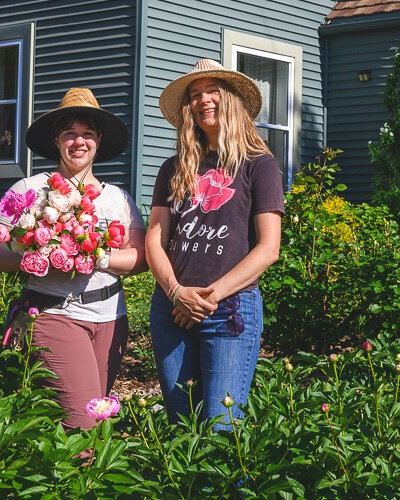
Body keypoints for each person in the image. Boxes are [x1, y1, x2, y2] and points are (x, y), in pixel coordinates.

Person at [0, 87, 145, 430]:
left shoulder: (117, 198)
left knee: (98, 417)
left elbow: (138, 258)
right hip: (53, 314)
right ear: (57, 140)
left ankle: (82, 482)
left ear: (98, 140)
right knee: (83, 421)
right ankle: (80, 482)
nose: (79, 141)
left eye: (87, 134)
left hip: (111, 318)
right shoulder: (29, 189)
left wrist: (95, 257)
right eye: (69, 133)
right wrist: (36, 256)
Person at [146, 59, 284, 430]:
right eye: (195, 94)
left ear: (231, 100)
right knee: (181, 426)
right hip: (171, 312)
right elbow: (154, 240)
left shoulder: (259, 166)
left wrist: (207, 298)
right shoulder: (173, 168)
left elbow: (269, 249)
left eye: (212, 91)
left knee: (222, 428)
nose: (204, 100)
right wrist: (176, 293)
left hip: (229, 312)